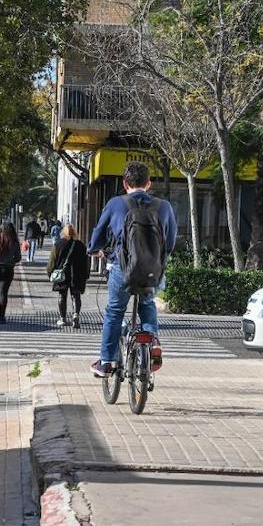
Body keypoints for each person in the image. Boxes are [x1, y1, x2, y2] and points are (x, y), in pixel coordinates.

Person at [87, 162, 178, 377]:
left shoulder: (115, 204)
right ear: (148, 184)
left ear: (125, 184)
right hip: (152, 271)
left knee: (115, 311)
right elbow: (171, 242)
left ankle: (107, 361)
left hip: (122, 268)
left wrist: (94, 250)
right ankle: (151, 338)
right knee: (147, 304)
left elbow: (97, 238)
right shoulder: (164, 206)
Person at [46, 224, 90, 328]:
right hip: (77, 275)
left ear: (63, 232)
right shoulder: (80, 245)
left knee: (62, 295)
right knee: (76, 295)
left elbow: (52, 261)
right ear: (74, 233)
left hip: (62, 274)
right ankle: (76, 315)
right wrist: (86, 274)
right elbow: (86, 262)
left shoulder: (58, 244)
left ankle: (62, 318)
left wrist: (50, 273)